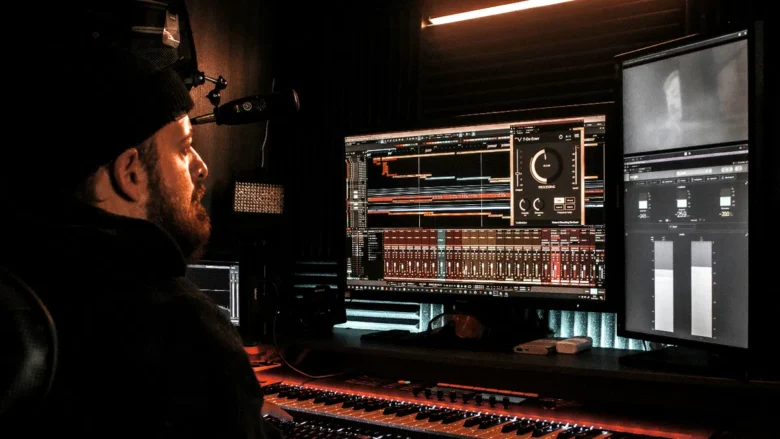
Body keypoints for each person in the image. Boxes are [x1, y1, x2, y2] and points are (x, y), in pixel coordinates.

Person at [0, 43, 290, 437]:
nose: (201, 167)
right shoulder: (179, 326)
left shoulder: (23, 281)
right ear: (130, 172)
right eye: (184, 148)